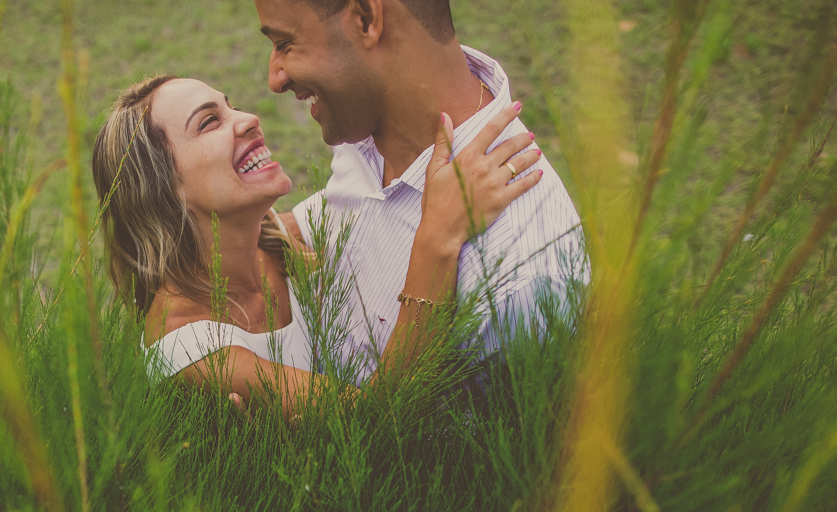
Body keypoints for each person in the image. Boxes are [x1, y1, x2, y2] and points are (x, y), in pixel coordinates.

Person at [91, 75, 543, 416]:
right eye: (210, 122)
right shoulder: (189, 350)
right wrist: (439, 237)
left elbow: (365, 202)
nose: (248, 119)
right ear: (162, 190)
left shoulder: (273, 238)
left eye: (231, 107)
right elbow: (379, 420)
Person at [256, 0, 587, 383]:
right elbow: (338, 219)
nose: (275, 79)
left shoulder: (517, 281)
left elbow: (400, 421)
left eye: (285, 43)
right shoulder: (364, 119)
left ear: (366, 19)